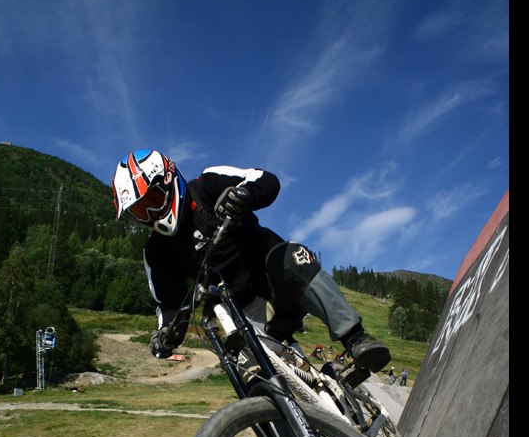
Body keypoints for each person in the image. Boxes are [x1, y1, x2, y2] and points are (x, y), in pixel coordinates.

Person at [111, 150, 391, 375]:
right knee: (252, 379)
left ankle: (356, 339)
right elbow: (168, 304)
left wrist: (244, 196)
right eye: (139, 211)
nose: (151, 214)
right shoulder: (156, 251)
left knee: (292, 256)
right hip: (242, 314)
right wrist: (167, 333)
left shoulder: (208, 184)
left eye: (154, 200)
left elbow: (267, 181)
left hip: (277, 280)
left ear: (170, 180)